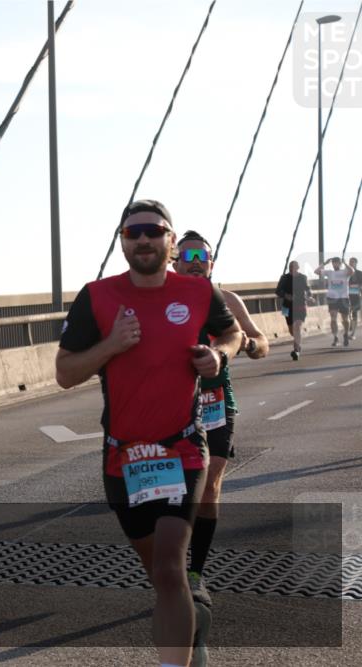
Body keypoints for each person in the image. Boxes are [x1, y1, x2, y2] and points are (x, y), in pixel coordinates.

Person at [56, 200, 242, 667]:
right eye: (133, 232)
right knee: (161, 577)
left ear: (170, 241)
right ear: (121, 241)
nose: (143, 240)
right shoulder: (96, 297)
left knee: (168, 567)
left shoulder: (199, 294)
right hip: (124, 458)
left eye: (153, 231)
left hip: (182, 449)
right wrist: (112, 345)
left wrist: (218, 357)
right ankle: (191, 630)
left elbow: (232, 333)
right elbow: (64, 373)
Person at [173, 231, 268, 609]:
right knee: (176, 490)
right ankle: (172, 559)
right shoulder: (161, 300)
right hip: (173, 403)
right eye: (187, 255)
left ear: (212, 262)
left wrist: (244, 343)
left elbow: (262, 343)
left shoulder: (227, 301)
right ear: (174, 261)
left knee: (210, 484)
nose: (195, 261)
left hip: (216, 402)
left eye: (202, 255)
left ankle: (195, 572)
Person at [275, 261, 312, 360]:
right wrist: (286, 296)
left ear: (298, 267)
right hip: (287, 306)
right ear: (289, 267)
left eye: (295, 266)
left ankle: (296, 349)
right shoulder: (284, 278)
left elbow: (308, 289)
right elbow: (278, 291)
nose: (293, 268)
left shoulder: (303, 277)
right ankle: (297, 341)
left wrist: (310, 296)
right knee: (292, 330)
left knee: (297, 326)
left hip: (300, 305)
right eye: (291, 266)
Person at [314, 256, 354, 347]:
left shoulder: (345, 272)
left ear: (340, 263)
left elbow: (352, 271)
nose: (335, 264)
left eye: (337, 262)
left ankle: (346, 334)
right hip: (332, 298)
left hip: (344, 298)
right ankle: (335, 337)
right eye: (333, 263)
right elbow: (316, 272)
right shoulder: (329, 272)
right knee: (333, 318)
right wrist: (324, 263)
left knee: (346, 320)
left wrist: (345, 263)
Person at [348, 257, 361, 340]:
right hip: (346, 296)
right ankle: (351, 327)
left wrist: (357, 287)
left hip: (357, 296)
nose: (351, 263)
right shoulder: (346, 273)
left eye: (352, 262)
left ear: (356, 263)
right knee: (349, 314)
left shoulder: (360, 273)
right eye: (350, 262)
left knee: (355, 314)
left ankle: (353, 333)